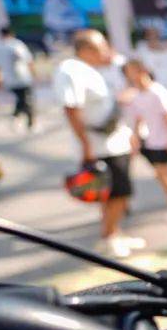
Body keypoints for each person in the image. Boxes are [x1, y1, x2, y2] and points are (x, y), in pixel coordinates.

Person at [53, 29, 141, 257]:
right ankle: (109, 237)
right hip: (101, 148)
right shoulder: (70, 71)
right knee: (118, 193)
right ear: (87, 50)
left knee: (113, 193)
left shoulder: (91, 70)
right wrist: (86, 147)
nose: (106, 52)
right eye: (101, 48)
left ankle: (115, 232)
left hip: (113, 142)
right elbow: (72, 109)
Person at [122, 59, 167, 222]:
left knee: (166, 171)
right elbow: (138, 118)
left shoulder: (157, 92)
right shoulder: (137, 95)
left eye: (134, 71)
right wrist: (136, 138)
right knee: (159, 173)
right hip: (149, 140)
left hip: (162, 139)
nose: (133, 75)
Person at [0, 27, 35, 131]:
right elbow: (28, 59)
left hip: (8, 78)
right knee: (26, 100)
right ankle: (28, 123)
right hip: (22, 77)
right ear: (11, 33)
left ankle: (19, 118)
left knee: (21, 99)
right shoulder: (16, 44)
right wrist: (33, 73)